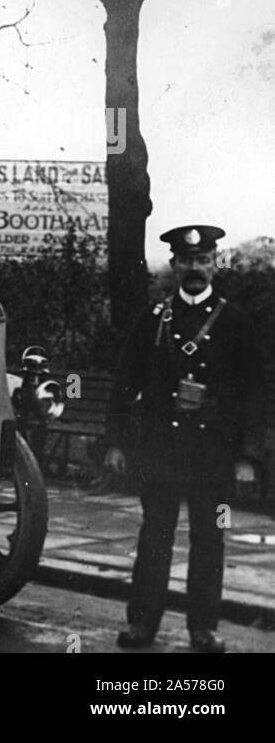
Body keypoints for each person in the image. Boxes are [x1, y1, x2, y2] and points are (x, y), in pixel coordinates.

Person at [106, 224, 266, 653]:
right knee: (155, 536)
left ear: (215, 264)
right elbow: (125, 380)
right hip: (161, 454)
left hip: (214, 457)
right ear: (175, 265)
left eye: (203, 260)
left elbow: (255, 392)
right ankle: (142, 625)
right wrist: (118, 441)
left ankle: (204, 629)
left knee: (211, 539)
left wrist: (248, 455)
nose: (195, 268)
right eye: (187, 261)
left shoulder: (236, 321)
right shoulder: (154, 318)